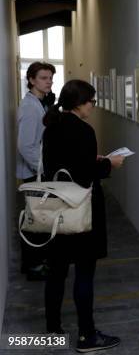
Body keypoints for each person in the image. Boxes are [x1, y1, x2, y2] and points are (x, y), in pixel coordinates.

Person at [42, 80, 125, 353]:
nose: (93, 105)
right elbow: (85, 173)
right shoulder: (83, 130)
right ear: (79, 102)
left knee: (56, 272)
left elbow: (62, 165)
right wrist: (107, 163)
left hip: (56, 211)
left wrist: (93, 159)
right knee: (84, 273)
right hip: (81, 210)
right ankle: (86, 337)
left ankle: (53, 330)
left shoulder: (52, 126)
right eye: (91, 100)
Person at [16, 61, 56, 280]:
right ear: (31, 80)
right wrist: (42, 169)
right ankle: (33, 265)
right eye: (43, 77)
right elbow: (25, 145)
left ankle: (33, 263)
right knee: (35, 219)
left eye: (50, 77)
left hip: (37, 171)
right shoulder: (30, 107)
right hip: (35, 173)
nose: (48, 81)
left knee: (38, 217)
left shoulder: (41, 103)